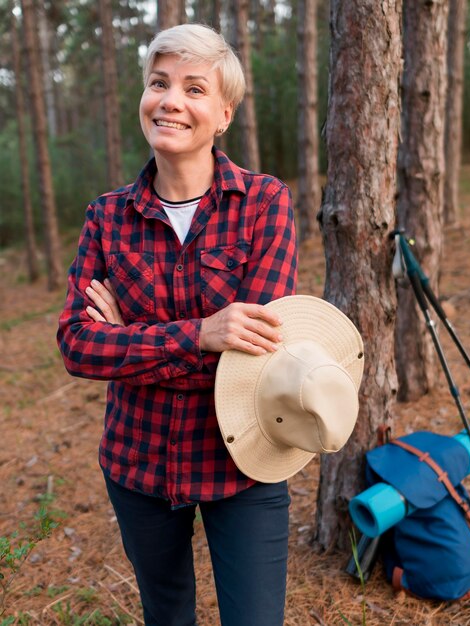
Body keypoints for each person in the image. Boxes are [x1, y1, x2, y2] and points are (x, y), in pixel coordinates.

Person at [57, 23, 297, 626]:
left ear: (223, 114)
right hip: (140, 462)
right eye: (158, 83)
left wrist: (129, 339)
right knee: (167, 616)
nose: (170, 100)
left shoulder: (265, 204)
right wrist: (201, 333)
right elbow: (77, 346)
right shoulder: (106, 218)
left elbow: (255, 353)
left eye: (193, 88)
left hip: (243, 460)